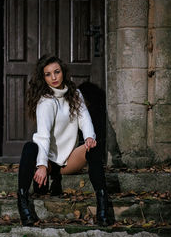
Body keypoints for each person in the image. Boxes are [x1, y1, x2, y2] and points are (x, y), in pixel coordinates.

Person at [17, 55, 112, 227]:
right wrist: (42, 165)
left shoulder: (75, 94)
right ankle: (23, 202)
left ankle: (103, 203)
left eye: (56, 72)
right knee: (30, 147)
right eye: (48, 74)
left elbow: (85, 119)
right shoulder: (46, 101)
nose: (53, 78)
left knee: (93, 147)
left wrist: (90, 137)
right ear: (43, 77)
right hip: (49, 162)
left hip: (69, 161)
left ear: (63, 72)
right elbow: (43, 136)